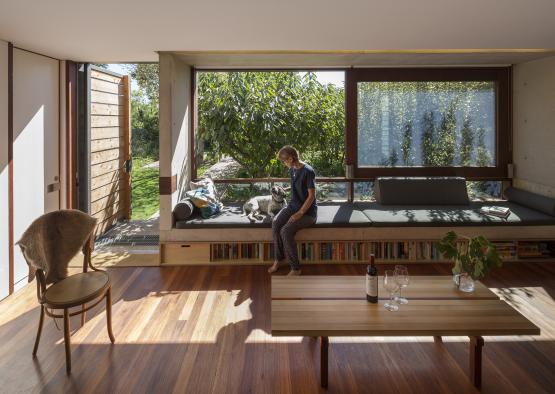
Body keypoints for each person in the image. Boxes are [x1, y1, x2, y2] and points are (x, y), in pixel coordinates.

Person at [268, 146, 317, 276]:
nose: (284, 164)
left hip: (307, 213)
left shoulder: (308, 171)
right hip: (292, 206)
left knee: (285, 230)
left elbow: (311, 196)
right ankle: (279, 259)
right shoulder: (292, 169)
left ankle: (295, 268)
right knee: (276, 222)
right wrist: (285, 189)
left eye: (284, 161)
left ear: (291, 158)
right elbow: (297, 186)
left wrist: (300, 213)